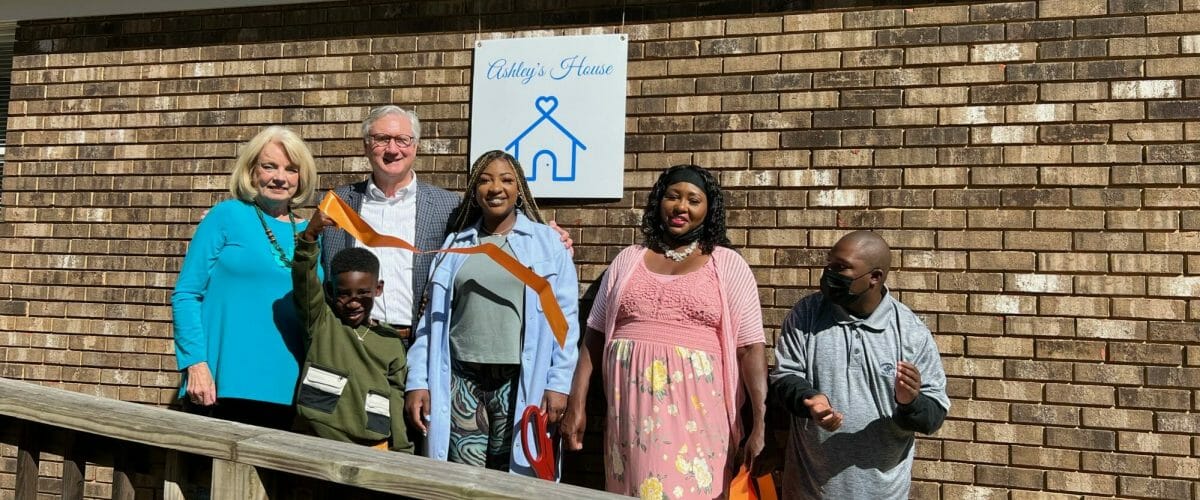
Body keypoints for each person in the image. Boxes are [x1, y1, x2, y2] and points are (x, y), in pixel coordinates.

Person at [561, 164, 768, 500]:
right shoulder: (629, 259)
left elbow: (750, 348)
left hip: (697, 417)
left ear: (708, 209)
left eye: (693, 200)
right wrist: (577, 403)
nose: (681, 207)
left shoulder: (727, 265)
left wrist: (760, 420)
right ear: (659, 201)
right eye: (673, 196)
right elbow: (595, 335)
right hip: (629, 417)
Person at [320, 106, 574, 348]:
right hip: (352, 339)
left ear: (415, 146)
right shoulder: (339, 205)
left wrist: (548, 240)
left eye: (402, 140)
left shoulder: (448, 205)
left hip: (416, 340)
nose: (393, 148)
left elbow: (496, 224)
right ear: (366, 145)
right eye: (382, 138)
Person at [404, 150, 579, 477]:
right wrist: (418, 380)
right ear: (473, 190)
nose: (495, 187)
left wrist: (559, 385)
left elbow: (565, 323)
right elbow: (430, 323)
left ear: (519, 189)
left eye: (506, 180)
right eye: (484, 180)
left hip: (517, 382)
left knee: (509, 480)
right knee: (461, 478)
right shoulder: (455, 245)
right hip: (461, 379)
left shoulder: (546, 245)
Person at [768, 230, 950, 499]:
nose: (830, 274)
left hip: (881, 492)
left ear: (874, 277)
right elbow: (784, 376)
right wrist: (809, 399)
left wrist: (910, 402)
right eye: (829, 265)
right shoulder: (806, 314)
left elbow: (934, 415)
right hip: (808, 490)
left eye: (841, 268)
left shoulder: (910, 332)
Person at [172, 126, 318, 429]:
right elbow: (186, 294)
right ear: (252, 172)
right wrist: (195, 364)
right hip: (221, 386)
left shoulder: (311, 233)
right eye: (270, 166)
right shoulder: (226, 216)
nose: (280, 177)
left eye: (291, 169)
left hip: (290, 391)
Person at [290, 211, 413, 453]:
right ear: (330, 290)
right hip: (316, 441)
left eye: (363, 294)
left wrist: (403, 450)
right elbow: (303, 278)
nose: (353, 302)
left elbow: (396, 398)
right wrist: (310, 236)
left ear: (378, 289)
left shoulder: (390, 341)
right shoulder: (322, 322)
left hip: (372, 447)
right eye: (344, 294)